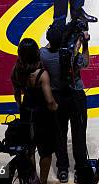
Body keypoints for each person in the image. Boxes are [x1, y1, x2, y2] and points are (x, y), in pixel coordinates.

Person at [41, 20, 90, 183]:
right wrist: (85, 45)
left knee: (60, 135)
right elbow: (86, 62)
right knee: (79, 134)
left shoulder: (43, 54)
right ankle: (80, 170)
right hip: (75, 96)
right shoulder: (71, 53)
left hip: (56, 98)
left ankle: (62, 170)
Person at [11, 38, 58, 184]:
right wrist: (56, 107)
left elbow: (17, 94)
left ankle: (32, 180)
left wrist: (21, 107)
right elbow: (49, 101)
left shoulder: (17, 71)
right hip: (42, 115)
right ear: (36, 53)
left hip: (26, 112)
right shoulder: (42, 74)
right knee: (46, 150)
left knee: (29, 148)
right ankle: (42, 181)